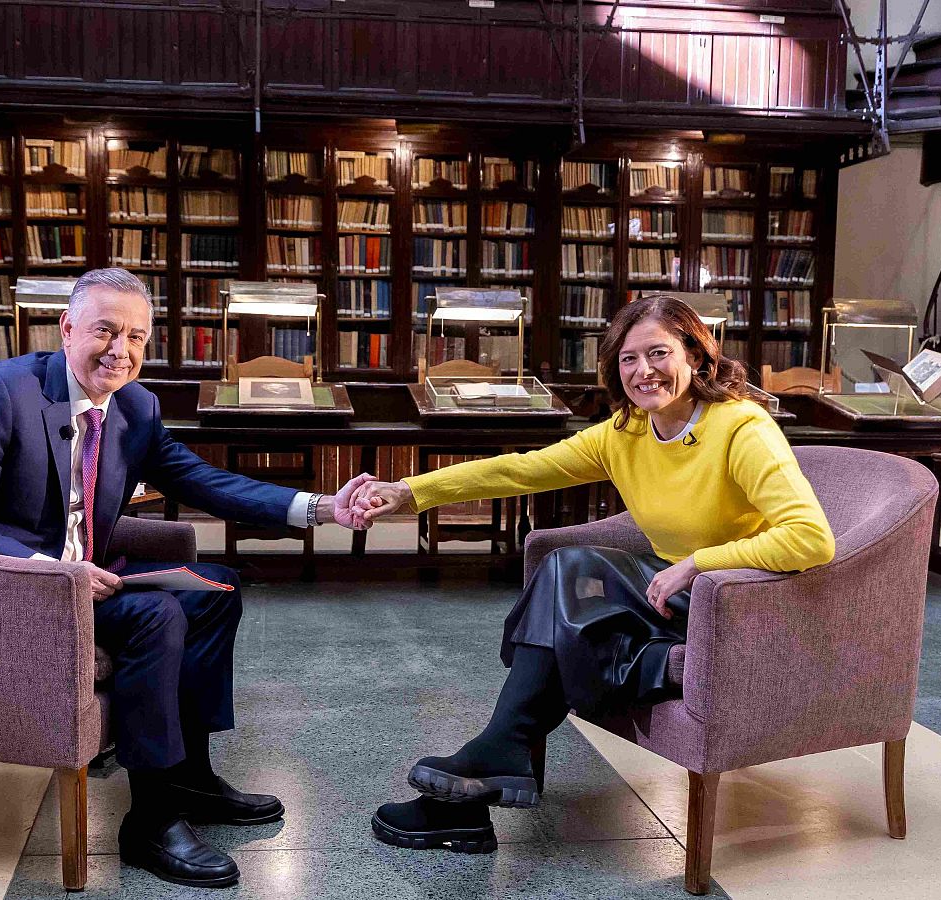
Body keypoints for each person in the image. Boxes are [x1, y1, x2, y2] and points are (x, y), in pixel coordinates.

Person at [0, 268, 373, 889]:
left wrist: (320, 507)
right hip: (17, 589)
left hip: (92, 578)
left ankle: (190, 778)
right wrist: (51, 571)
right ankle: (150, 820)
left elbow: (201, 479)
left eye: (136, 337)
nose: (120, 351)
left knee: (214, 587)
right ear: (66, 328)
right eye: (105, 330)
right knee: (156, 614)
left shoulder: (135, 406)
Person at [349, 294, 835, 854]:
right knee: (568, 578)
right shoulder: (626, 431)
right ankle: (482, 779)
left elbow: (811, 538)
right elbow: (522, 470)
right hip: (666, 594)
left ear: (697, 356)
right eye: (628, 359)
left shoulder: (741, 427)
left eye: (658, 353)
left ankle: (492, 760)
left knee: (571, 573)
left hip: (734, 602)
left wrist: (699, 563)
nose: (644, 370)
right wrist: (409, 492)